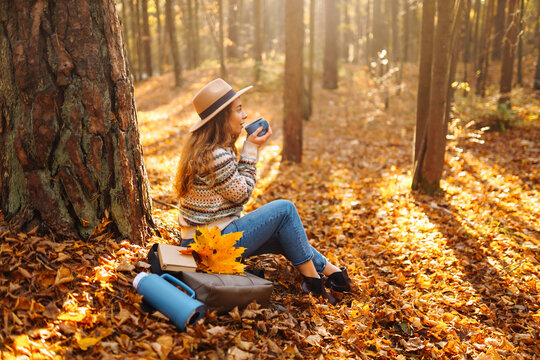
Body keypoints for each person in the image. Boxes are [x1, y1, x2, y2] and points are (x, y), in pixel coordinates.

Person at [174, 78, 353, 305]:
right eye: (238, 110)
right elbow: (242, 194)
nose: (245, 115)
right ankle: (314, 283)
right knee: (285, 209)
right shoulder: (215, 155)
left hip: (202, 243)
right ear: (221, 118)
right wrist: (251, 149)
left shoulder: (205, 149)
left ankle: (333, 274)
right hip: (209, 247)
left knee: (284, 234)